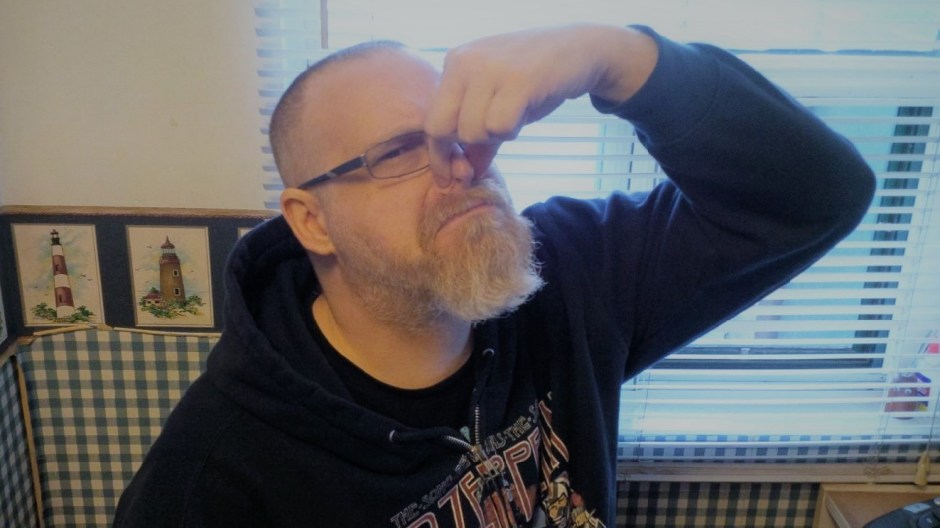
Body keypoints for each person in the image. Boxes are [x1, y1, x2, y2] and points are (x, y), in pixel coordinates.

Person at [114, 23, 874, 527]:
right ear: (311, 220)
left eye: (458, 134)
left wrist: (620, 58)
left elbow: (817, 198)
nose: (461, 166)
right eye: (400, 152)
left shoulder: (570, 275)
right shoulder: (212, 479)